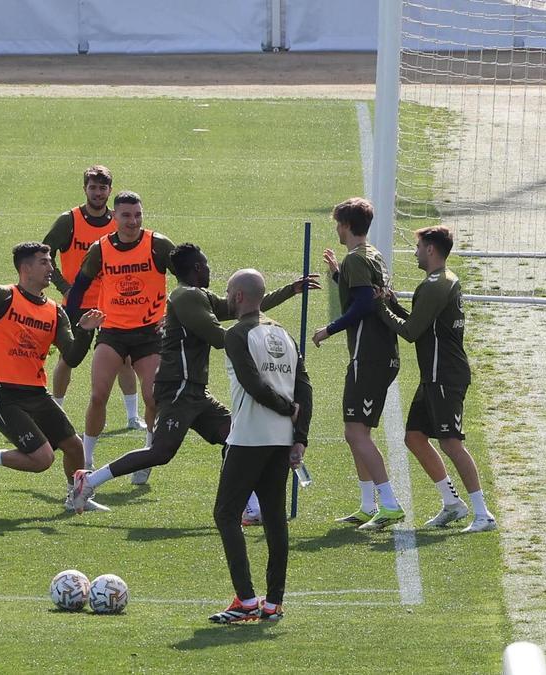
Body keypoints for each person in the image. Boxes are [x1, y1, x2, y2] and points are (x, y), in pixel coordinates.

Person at [71, 244, 318, 519]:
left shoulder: (197, 296)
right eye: (208, 265)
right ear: (198, 268)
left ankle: (250, 508)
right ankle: (88, 481)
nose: (211, 269)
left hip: (196, 391)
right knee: (162, 452)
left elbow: (242, 305)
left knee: (235, 438)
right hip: (178, 389)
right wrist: (261, 341)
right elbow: (220, 337)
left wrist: (288, 291)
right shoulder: (186, 297)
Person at [0, 241, 108, 512]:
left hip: (36, 393)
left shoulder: (55, 311)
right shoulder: (1, 297)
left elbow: (72, 357)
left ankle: (77, 499)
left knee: (75, 448)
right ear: (25, 268)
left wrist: (85, 331)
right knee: (42, 459)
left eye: (51, 261)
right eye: (44, 262)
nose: (52, 268)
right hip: (3, 394)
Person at [208, 269, 312, 624]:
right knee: (274, 518)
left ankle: (247, 600)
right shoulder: (283, 334)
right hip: (281, 440)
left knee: (225, 513)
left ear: (237, 296)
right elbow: (304, 386)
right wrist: (299, 434)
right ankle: (274, 603)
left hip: (249, 437)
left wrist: (286, 410)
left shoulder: (236, 334)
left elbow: (252, 384)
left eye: (227, 292)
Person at [376, 226, 496, 532]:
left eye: (418, 246)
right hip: (434, 375)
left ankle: (483, 514)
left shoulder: (434, 285)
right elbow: (420, 322)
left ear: (431, 249)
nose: (415, 251)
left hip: (445, 375)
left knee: (451, 443)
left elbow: (410, 332)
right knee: (414, 437)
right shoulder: (442, 281)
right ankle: (453, 504)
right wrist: (390, 304)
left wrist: (379, 308)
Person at [65, 190, 175, 476]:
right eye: (126, 215)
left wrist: (173, 314)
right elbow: (79, 287)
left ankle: (146, 456)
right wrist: (71, 321)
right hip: (112, 332)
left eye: (138, 215)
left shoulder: (158, 245)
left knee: (152, 398)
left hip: (149, 333)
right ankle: (86, 460)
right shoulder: (100, 249)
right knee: (98, 395)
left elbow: (188, 278)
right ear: (114, 217)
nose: (133, 221)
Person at [312, 198, 405, 531]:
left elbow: (363, 304)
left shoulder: (356, 259)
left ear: (347, 225)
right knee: (356, 434)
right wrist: (339, 275)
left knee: (355, 432)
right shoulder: (371, 254)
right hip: (377, 355)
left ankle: (390, 504)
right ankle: (368, 505)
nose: (337, 229)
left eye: (338, 224)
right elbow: (364, 293)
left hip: (369, 357)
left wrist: (329, 329)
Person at [44, 165, 148, 438]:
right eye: (93, 187)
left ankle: (132, 416)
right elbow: (45, 255)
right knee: (69, 357)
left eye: (103, 188)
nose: (98, 193)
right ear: (85, 189)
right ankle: (55, 413)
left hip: (112, 304)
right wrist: (65, 287)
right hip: (77, 304)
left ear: (110, 191)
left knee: (124, 358)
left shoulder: (119, 220)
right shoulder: (69, 221)